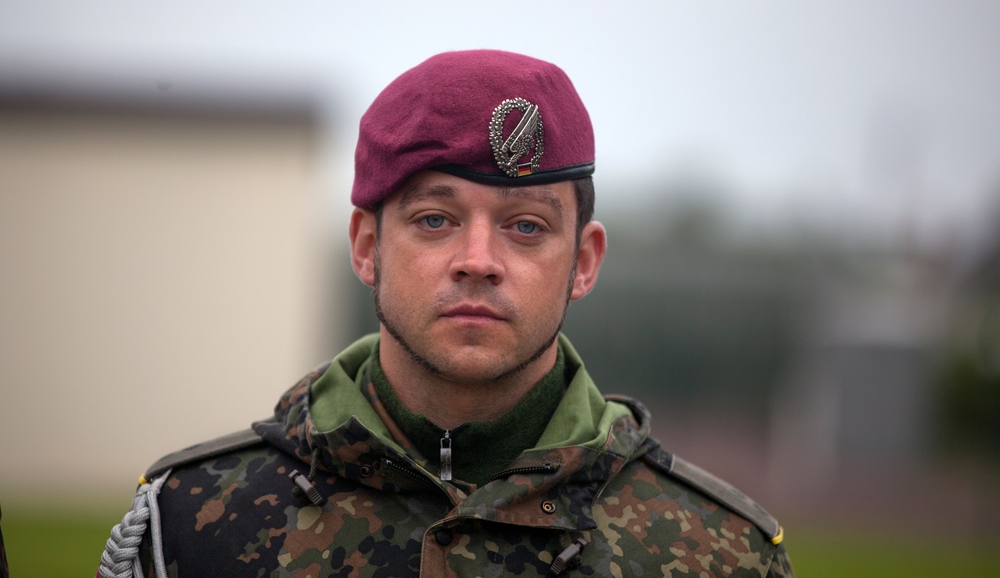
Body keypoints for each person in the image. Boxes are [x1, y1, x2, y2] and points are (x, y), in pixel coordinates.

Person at [99, 50, 794, 577]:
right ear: (367, 246)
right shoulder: (191, 524)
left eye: (525, 226)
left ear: (584, 260)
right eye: (435, 219)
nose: (478, 258)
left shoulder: (720, 552)